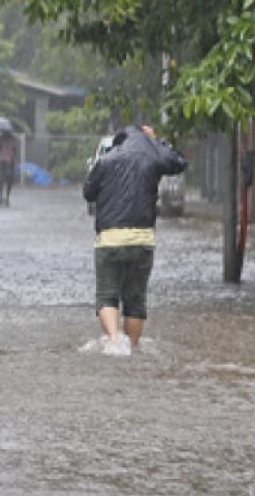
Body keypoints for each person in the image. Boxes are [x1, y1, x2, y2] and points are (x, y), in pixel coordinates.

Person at [81, 125, 187, 354]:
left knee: (107, 296)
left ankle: (114, 341)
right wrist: (157, 143)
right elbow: (179, 162)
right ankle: (133, 348)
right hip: (142, 240)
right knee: (135, 301)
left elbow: (88, 192)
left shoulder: (107, 159)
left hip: (109, 239)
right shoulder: (153, 157)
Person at [0, 132, 16, 207]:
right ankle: (7, 198)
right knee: (9, 180)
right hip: (10, 162)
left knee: (0, 180)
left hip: (2, 161)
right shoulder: (12, 142)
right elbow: (15, 152)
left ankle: (1, 197)